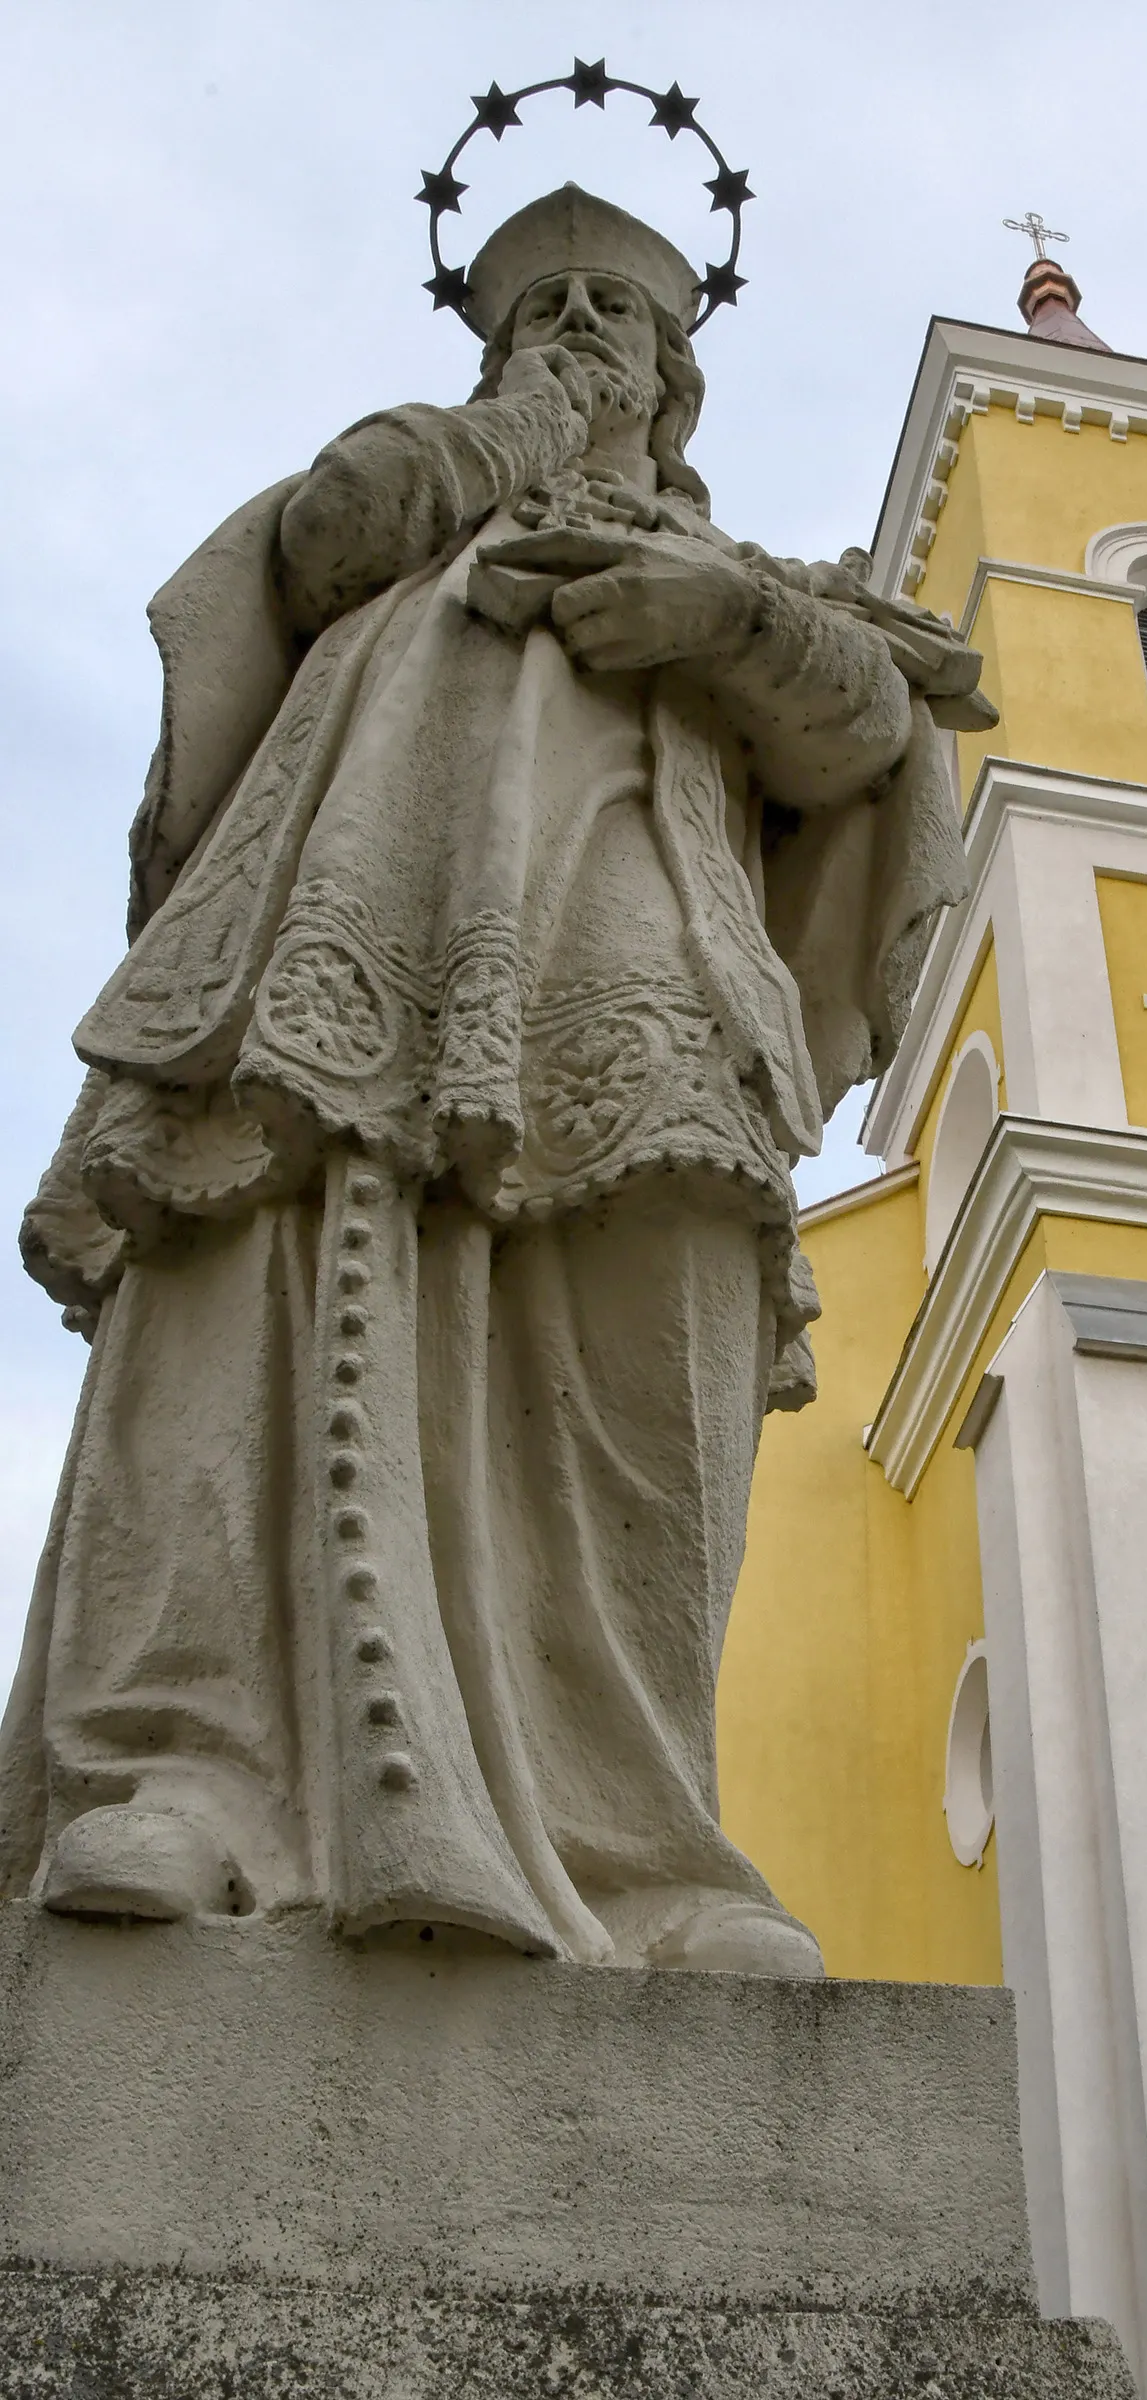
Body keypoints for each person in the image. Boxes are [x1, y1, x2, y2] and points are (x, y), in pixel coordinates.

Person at [0, 184, 986, 1973]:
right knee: (241, 1274)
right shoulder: (424, 477)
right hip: (344, 898)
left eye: (625, 314)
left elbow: (869, 736)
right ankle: (187, 1775)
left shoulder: (747, 574)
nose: (587, 327)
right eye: (555, 306)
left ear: (685, 384)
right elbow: (320, 539)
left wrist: (723, 625)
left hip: (641, 928)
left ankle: (640, 1853)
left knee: (647, 1337)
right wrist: (521, 432)